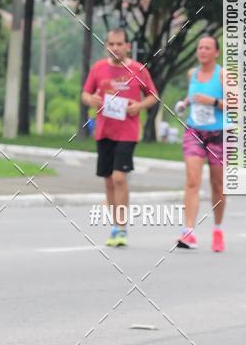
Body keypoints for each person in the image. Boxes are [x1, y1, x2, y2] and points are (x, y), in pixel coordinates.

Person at [81, 28, 158, 247]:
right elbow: (85, 94)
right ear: (106, 45)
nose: (115, 48)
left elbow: (153, 96)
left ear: (127, 46)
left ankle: (122, 228)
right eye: (111, 44)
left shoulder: (137, 69)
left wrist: (139, 106)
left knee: (119, 178)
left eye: (120, 44)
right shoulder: (98, 69)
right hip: (104, 131)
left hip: (128, 131)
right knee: (108, 180)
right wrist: (92, 100)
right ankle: (115, 226)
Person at [175, 35, 228, 252]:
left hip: (219, 134)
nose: (202, 51)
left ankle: (217, 229)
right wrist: (184, 103)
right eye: (200, 47)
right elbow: (193, 96)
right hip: (194, 131)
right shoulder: (192, 74)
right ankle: (188, 232)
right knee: (192, 180)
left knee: (217, 185)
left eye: (207, 48)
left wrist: (214, 102)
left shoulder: (224, 75)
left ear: (216, 52)